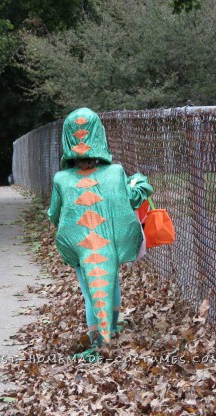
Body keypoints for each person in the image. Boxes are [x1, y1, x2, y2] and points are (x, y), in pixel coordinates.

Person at [47, 107, 154, 361]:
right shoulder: (115, 172)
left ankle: (99, 341)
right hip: (109, 241)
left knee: (90, 290)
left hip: (81, 242)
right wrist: (139, 182)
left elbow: (54, 214)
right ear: (100, 137)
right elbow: (131, 198)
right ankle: (111, 329)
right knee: (110, 280)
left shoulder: (61, 179)